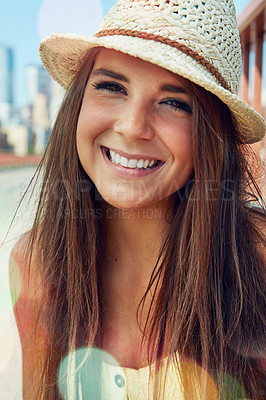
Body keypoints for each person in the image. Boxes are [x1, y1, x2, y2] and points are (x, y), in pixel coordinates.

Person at [9, 0, 265, 399]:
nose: (131, 127)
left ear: (213, 134)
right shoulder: (37, 260)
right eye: (112, 86)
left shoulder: (259, 258)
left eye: (174, 102)